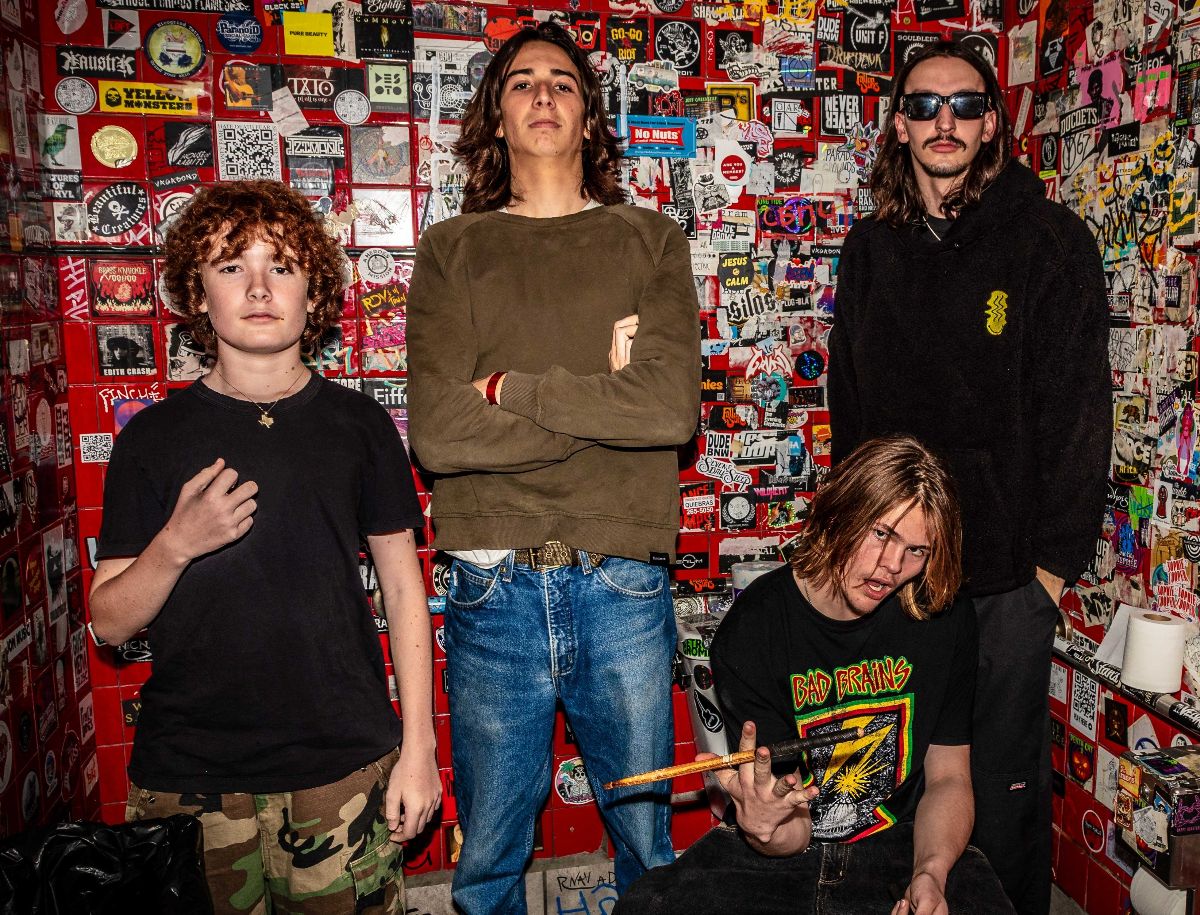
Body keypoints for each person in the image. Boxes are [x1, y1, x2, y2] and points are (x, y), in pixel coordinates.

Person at [406, 21, 700, 915]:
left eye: (563, 82)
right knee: (490, 851)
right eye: (522, 81)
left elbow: (668, 411)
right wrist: (601, 402)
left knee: (647, 844)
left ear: (589, 117)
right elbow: (439, 435)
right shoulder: (451, 248)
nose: (543, 93)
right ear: (496, 116)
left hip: (624, 578)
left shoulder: (650, 239)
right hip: (491, 581)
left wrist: (510, 389)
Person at [89, 180, 440, 914]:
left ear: (314, 293)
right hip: (190, 773)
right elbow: (110, 624)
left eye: (281, 266)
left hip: (342, 763)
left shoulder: (360, 424)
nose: (257, 287)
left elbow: (404, 589)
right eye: (231, 266)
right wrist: (176, 544)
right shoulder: (152, 438)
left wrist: (420, 748)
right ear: (198, 293)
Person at [828, 40, 1110, 915]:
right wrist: (857, 548)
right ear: (899, 126)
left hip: (1005, 583)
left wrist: (1047, 579)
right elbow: (849, 410)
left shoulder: (1048, 240)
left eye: (964, 104)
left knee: (1001, 796)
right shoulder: (869, 249)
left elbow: (1080, 417)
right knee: (886, 781)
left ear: (992, 123)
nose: (943, 121)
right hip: (894, 571)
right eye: (923, 104)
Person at [617, 436, 1013, 915]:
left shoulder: (942, 615)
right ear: (839, 514)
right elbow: (794, 827)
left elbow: (949, 777)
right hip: (790, 849)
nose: (892, 566)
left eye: (916, 550)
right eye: (881, 533)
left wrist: (930, 872)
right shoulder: (756, 627)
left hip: (904, 840)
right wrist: (765, 825)